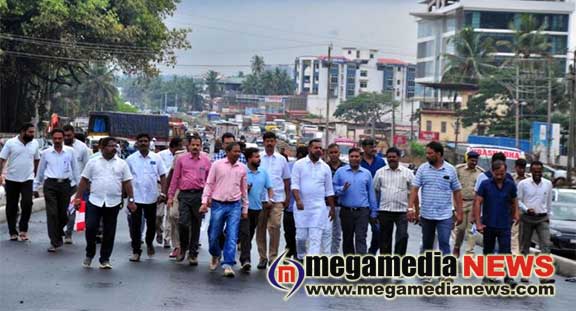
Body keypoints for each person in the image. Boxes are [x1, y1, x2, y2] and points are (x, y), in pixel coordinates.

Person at [73, 137, 136, 269]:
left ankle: (105, 259)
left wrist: (131, 200)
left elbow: (127, 183)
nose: (114, 148)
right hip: (95, 200)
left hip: (113, 202)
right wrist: (78, 198)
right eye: (110, 146)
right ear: (102, 147)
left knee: (109, 231)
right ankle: (89, 253)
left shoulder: (121, 164)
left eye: (115, 146)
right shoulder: (93, 162)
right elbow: (84, 180)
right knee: (91, 227)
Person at [409, 141, 463, 279]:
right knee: (427, 244)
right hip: (426, 214)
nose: (427, 156)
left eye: (430, 153)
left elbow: (457, 192)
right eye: (427, 153)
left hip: (445, 215)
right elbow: (415, 189)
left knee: (445, 242)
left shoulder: (450, 170)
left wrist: (459, 212)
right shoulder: (422, 169)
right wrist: (411, 208)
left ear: (439, 154)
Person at [200, 142, 248, 277]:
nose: (238, 154)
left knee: (232, 235)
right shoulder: (217, 165)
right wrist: (204, 201)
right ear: (227, 152)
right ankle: (215, 254)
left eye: (239, 152)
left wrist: (245, 208)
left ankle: (228, 264)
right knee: (214, 234)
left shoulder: (242, 168)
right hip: (218, 204)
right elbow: (209, 183)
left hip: (235, 205)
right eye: (235, 151)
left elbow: (244, 190)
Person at [33, 129, 80, 252]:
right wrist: (35, 186)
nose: (57, 141)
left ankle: (58, 232)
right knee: (52, 213)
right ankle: (54, 241)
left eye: (60, 138)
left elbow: (75, 169)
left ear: (63, 138)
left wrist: (79, 187)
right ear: (52, 139)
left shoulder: (70, 152)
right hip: (50, 185)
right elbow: (40, 171)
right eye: (55, 138)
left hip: (65, 185)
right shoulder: (46, 153)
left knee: (64, 215)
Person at [474, 160, 519, 286]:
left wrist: (516, 213)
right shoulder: (485, 184)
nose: (500, 176)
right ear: (492, 172)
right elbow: (477, 202)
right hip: (488, 223)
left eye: (502, 174)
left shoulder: (510, 185)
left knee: (506, 251)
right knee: (488, 250)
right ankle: (487, 275)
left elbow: (514, 200)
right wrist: (478, 222)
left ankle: (508, 276)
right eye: (497, 174)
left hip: (504, 223)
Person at [167, 135, 211, 265]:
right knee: (183, 223)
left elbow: (209, 181)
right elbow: (175, 179)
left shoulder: (206, 161)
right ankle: (183, 248)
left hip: (199, 195)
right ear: (188, 146)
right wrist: (170, 196)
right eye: (193, 145)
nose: (195, 147)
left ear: (201, 146)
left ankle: (193, 253)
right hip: (184, 195)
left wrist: (208, 198)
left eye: (198, 145)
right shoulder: (181, 160)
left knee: (196, 224)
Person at [126, 133, 167, 262]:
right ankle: (136, 251)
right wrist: (127, 196)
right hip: (135, 198)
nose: (143, 143)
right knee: (135, 225)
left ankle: (149, 242)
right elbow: (126, 179)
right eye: (141, 141)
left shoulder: (156, 158)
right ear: (137, 143)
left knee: (151, 224)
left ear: (149, 143)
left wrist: (163, 193)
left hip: (151, 197)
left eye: (145, 141)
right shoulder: (131, 159)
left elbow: (163, 176)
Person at [291, 139, 336, 259]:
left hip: (318, 208)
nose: (319, 150)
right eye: (316, 148)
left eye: (321, 148)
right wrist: (298, 200)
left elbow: (329, 190)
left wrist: (332, 208)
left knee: (315, 237)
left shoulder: (325, 167)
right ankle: (301, 257)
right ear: (309, 149)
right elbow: (294, 185)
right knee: (301, 237)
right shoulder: (299, 164)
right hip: (302, 207)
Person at [333, 147, 377, 254]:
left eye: (356, 156)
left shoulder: (366, 173)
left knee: (361, 237)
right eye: (351, 156)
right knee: (347, 239)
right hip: (346, 211)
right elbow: (333, 189)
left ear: (361, 157)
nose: (354, 158)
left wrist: (374, 211)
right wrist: (342, 189)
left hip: (362, 211)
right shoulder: (340, 172)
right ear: (348, 158)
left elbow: (371, 193)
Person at [0, 123, 40, 241]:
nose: (33, 135)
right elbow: (2, 159)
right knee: (11, 206)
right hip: (11, 179)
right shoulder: (11, 143)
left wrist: (36, 175)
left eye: (33, 132)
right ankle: (13, 231)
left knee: (27, 203)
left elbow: (37, 160)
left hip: (28, 179)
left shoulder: (35, 144)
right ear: (23, 132)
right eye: (30, 132)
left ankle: (23, 230)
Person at [256, 132, 291, 269]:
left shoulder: (282, 159)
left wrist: (287, 198)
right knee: (260, 228)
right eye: (267, 141)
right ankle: (262, 257)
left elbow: (287, 180)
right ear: (263, 142)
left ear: (275, 142)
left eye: (272, 141)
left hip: (277, 199)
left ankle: (273, 257)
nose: (269, 143)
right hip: (260, 199)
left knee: (275, 227)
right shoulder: (258, 157)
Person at [517, 161, 555, 284]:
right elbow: (518, 201)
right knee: (524, 247)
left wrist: (548, 216)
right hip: (527, 217)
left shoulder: (548, 184)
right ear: (531, 171)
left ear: (542, 171)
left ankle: (544, 276)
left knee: (546, 245)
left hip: (542, 218)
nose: (537, 174)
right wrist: (526, 209)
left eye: (539, 172)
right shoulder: (523, 184)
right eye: (535, 171)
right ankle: (525, 274)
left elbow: (549, 202)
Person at [373, 147, 414, 258]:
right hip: (384, 210)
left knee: (402, 236)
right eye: (389, 157)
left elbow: (413, 192)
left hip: (402, 211)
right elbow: (375, 191)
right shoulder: (380, 173)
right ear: (387, 158)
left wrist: (412, 209)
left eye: (394, 157)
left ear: (398, 157)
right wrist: (375, 209)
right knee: (385, 238)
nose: (391, 159)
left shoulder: (408, 173)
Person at [240, 147, 273, 273]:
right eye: (256, 157)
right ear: (249, 159)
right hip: (243, 208)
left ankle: (240, 252)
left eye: (259, 157)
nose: (258, 159)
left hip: (257, 209)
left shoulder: (263, 173)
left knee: (249, 234)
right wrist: (244, 190)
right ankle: (246, 260)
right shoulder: (242, 171)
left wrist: (270, 199)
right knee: (245, 234)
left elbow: (269, 188)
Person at [63, 125, 92, 244]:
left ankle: (68, 233)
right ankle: (59, 230)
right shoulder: (59, 146)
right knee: (59, 210)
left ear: (73, 134)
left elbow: (88, 166)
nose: (66, 138)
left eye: (68, 135)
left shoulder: (82, 148)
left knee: (72, 209)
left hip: (76, 184)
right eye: (64, 136)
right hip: (60, 183)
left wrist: (88, 184)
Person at [452, 151, 483, 257]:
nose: (474, 162)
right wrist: (454, 205)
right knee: (460, 228)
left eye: (476, 161)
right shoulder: (458, 170)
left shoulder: (480, 173)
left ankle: (470, 252)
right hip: (460, 202)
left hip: (473, 204)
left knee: (472, 230)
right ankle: (456, 247)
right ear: (467, 159)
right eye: (472, 160)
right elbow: (452, 187)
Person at [360, 138, 386, 255]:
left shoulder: (380, 162)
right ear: (364, 148)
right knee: (361, 233)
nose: (373, 149)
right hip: (361, 201)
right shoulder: (358, 161)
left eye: (374, 146)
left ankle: (371, 252)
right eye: (370, 147)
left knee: (378, 231)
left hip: (378, 201)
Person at [157, 137, 183, 248]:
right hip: (160, 186)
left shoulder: (181, 157)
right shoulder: (160, 155)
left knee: (171, 214)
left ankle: (167, 239)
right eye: (180, 146)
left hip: (174, 187)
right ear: (174, 146)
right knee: (158, 214)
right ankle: (159, 231)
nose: (182, 148)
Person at [284, 146, 307, 259]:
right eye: (300, 155)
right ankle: (289, 251)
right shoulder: (289, 167)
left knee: (301, 232)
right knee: (289, 232)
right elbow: (285, 183)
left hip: (304, 207)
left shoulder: (310, 168)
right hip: (290, 205)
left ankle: (299, 254)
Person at [326, 143, 346, 254]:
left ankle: (334, 255)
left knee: (337, 233)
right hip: (326, 205)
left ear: (339, 153)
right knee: (325, 232)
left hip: (341, 205)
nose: (334, 155)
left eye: (336, 152)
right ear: (328, 154)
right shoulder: (324, 167)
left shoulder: (345, 168)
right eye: (331, 152)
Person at [510, 158, 530, 255]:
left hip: (526, 211)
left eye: (523, 168)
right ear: (516, 167)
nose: (521, 170)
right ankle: (514, 255)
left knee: (524, 235)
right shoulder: (511, 178)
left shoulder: (529, 179)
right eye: (519, 168)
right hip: (513, 210)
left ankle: (522, 253)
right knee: (514, 233)